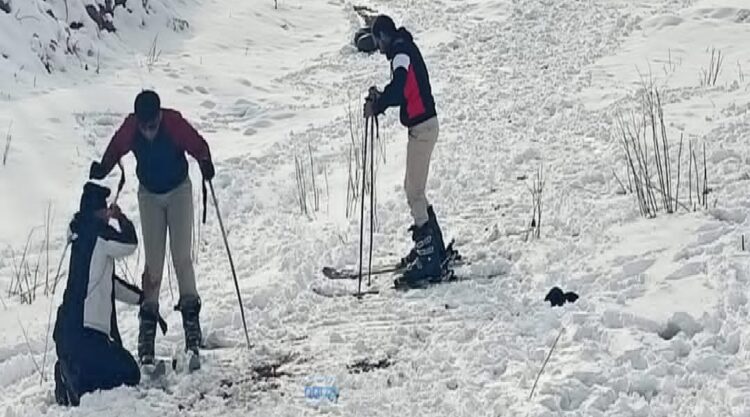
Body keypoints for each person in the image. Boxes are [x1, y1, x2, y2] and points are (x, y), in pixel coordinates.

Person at [89, 90, 214, 367]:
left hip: (179, 190)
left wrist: (205, 161)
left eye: (153, 124)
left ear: (159, 116)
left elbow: (196, 143)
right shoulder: (131, 128)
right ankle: (147, 332)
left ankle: (192, 328)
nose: (148, 131)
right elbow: (115, 148)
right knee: (153, 264)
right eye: (145, 126)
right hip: (149, 195)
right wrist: (103, 166)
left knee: (182, 257)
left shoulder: (172, 122)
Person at [364, 15, 447, 284]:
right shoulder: (404, 48)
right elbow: (401, 87)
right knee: (415, 189)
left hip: (422, 128)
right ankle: (434, 247)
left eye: (377, 41)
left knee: (414, 191)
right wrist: (382, 99)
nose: (378, 48)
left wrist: (378, 104)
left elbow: (400, 87)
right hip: (424, 125)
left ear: (383, 36)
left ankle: (429, 258)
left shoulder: (400, 51)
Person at [53, 182, 144, 406]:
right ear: (99, 211)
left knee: (111, 373)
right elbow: (130, 243)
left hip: (67, 332)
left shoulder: (80, 235)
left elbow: (108, 283)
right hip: (86, 334)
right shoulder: (99, 235)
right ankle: (70, 374)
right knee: (129, 373)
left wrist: (141, 299)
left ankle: (69, 366)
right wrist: (121, 219)